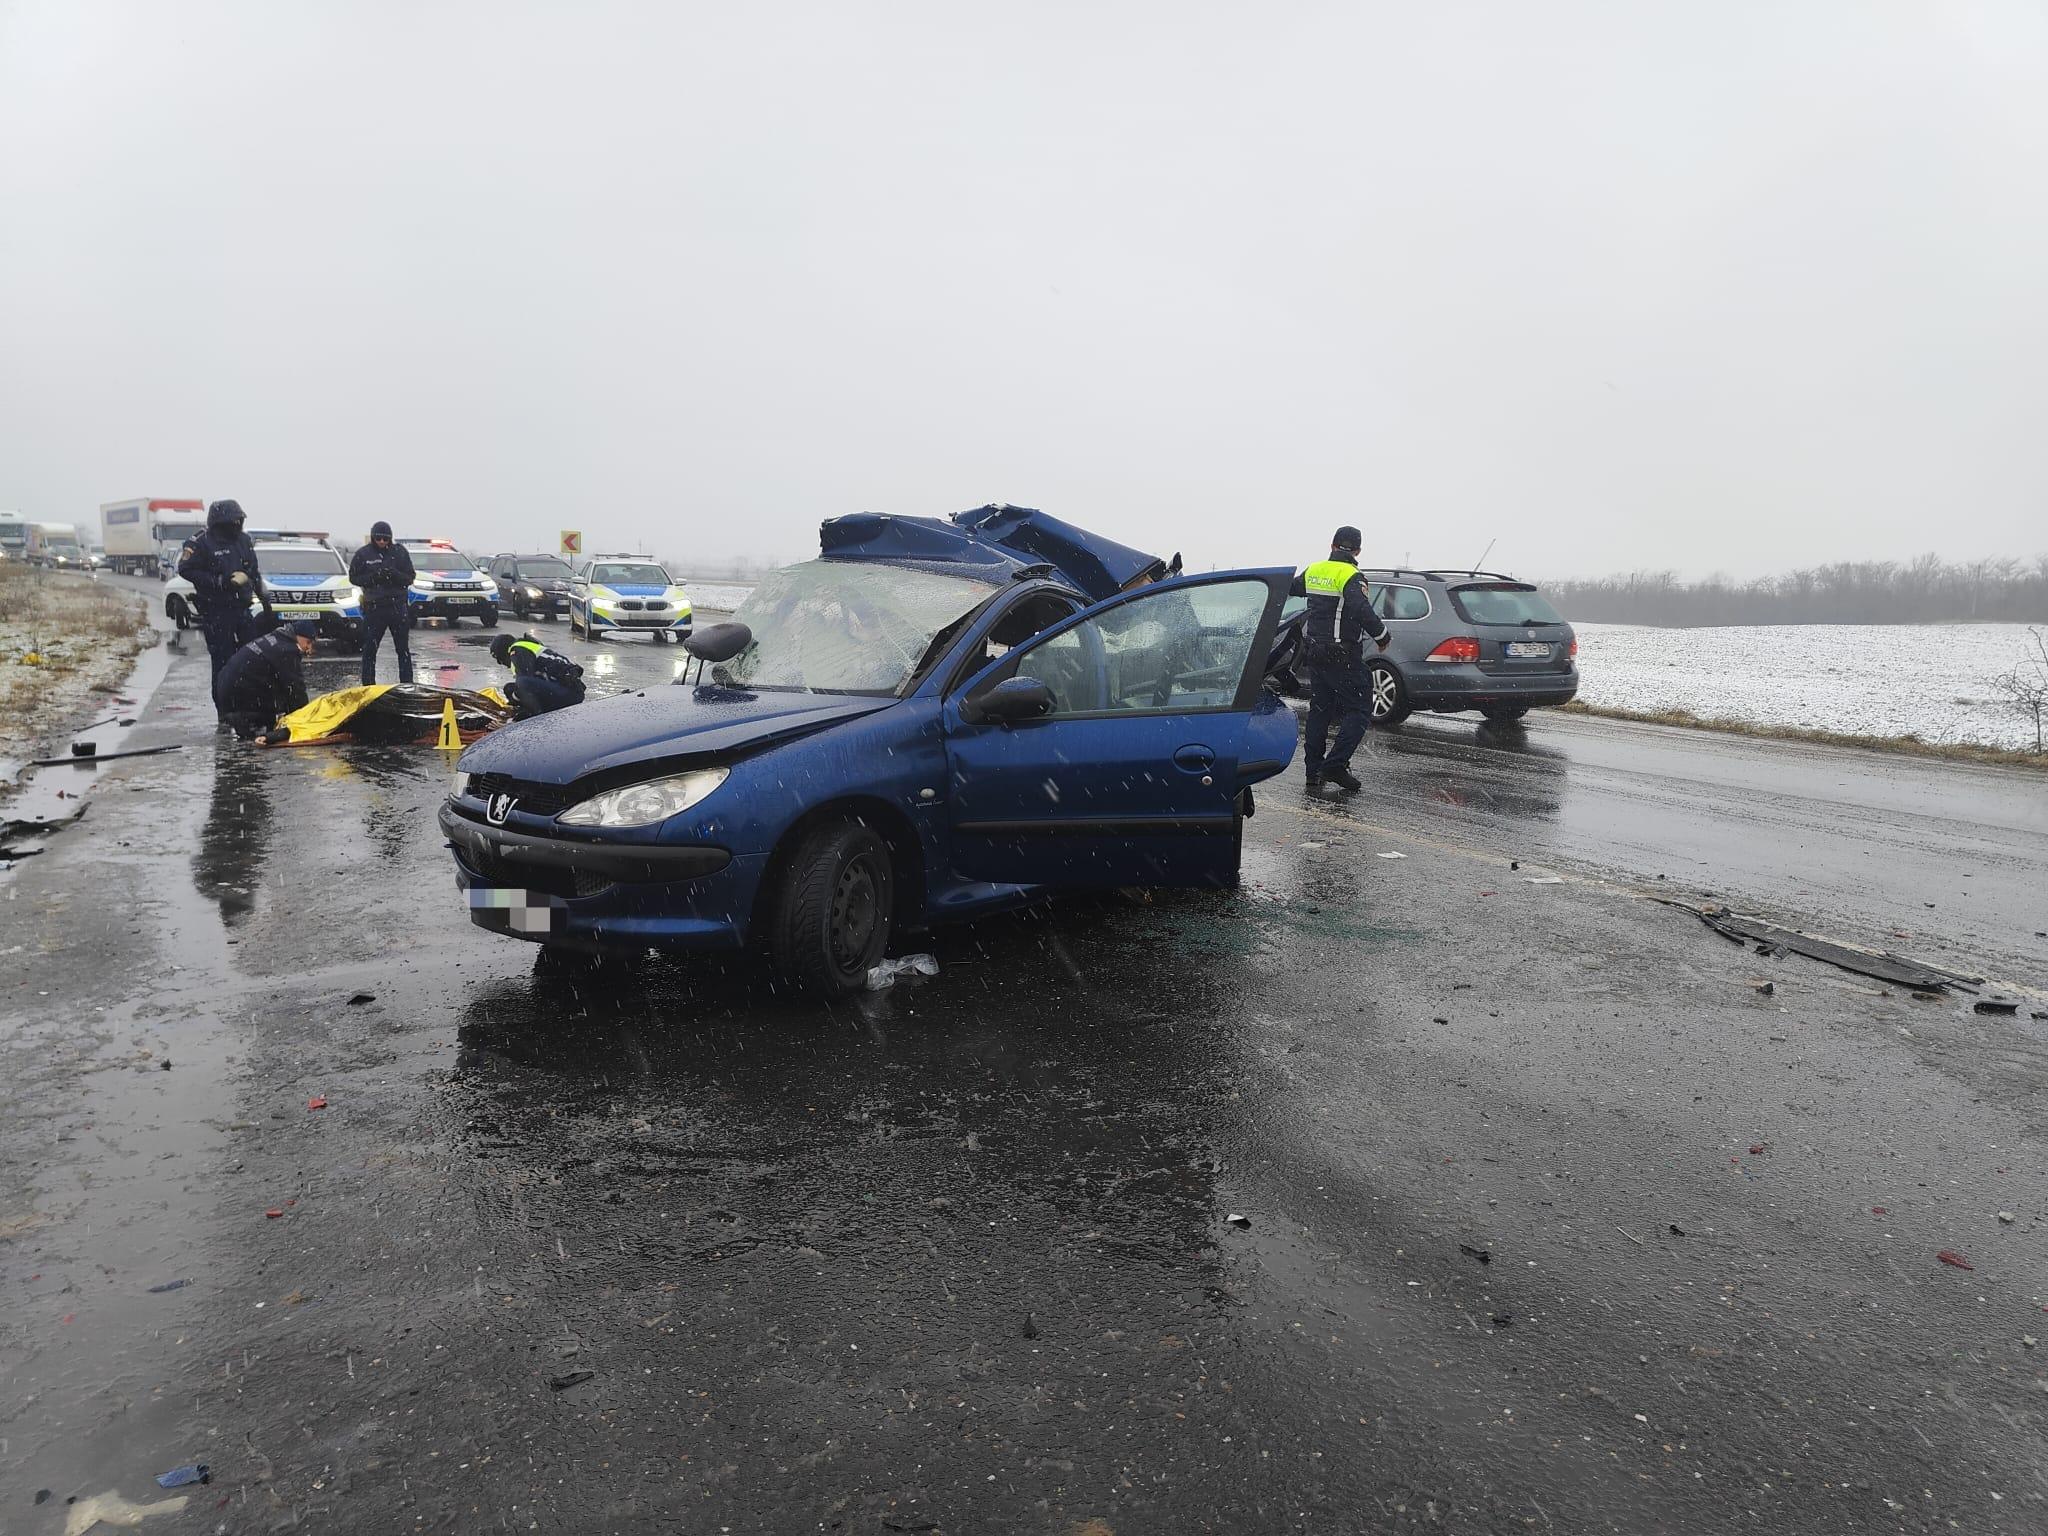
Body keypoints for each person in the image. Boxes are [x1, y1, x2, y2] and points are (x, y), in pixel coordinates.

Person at [1289, 524, 1390, 791]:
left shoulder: (1314, 570)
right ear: (1358, 550)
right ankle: (1335, 765)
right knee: (1359, 710)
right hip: (1341, 655)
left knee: (1320, 711)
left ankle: (1313, 771)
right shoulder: (1352, 576)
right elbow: (1359, 607)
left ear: (1332, 545)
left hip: (1315, 653)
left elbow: (1291, 588)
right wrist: (1382, 635)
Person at [177, 499, 264, 707]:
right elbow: (186, 569)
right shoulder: (200, 542)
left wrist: (262, 595)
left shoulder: (243, 540)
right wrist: (220, 582)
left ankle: (249, 703)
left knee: (250, 657)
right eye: (233, 522)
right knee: (223, 661)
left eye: (239, 521)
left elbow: (253, 569)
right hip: (216, 610)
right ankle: (224, 707)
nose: (237, 525)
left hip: (242, 608)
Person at [216, 621, 316, 739]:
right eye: (308, 642)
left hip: (226, 690)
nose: (308, 648)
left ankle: (245, 716)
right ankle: (245, 718)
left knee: (278, 693)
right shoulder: (287, 650)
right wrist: (304, 718)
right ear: (297, 636)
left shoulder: (276, 638)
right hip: (238, 694)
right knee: (280, 701)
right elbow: (295, 688)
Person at [349, 521, 416, 684]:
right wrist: (374, 578)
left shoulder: (400, 552)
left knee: (403, 649)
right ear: (373, 538)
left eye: (385, 539)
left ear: (390, 539)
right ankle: (368, 686)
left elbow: (410, 577)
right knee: (369, 650)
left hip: (397, 607)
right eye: (378, 538)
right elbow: (353, 577)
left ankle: (407, 685)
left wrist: (394, 575)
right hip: (374, 608)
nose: (381, 542)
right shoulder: (363, 554)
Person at [490, 632, 587, 718]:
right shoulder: (526, 647)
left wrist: (514, 701)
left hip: (570, 693)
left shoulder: (517, 649)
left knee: (522, 682)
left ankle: (535, 717)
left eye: (498, 658)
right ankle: (534, 712)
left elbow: (525, 681)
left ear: (503, 651)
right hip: (565, 690)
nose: (500, 663)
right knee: (510, 688)